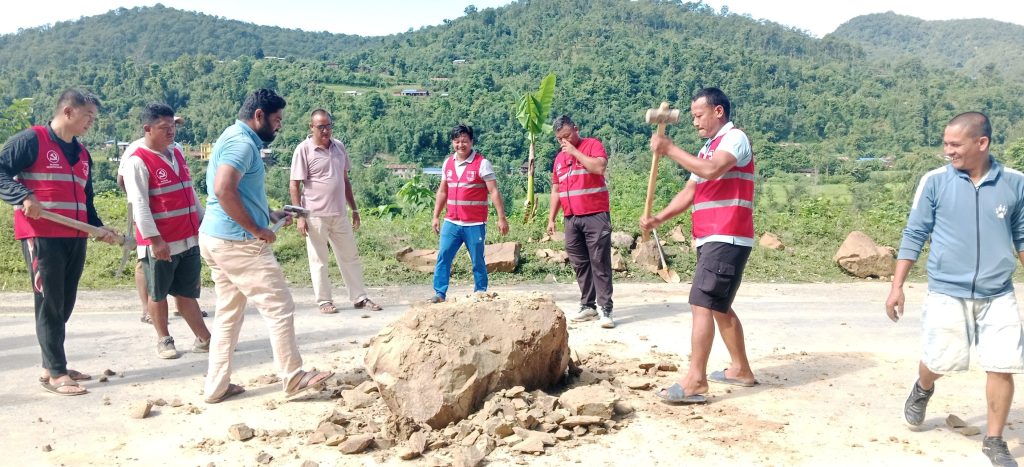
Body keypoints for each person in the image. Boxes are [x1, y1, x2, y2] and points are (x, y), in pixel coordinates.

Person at [886, 112, 1024, 467]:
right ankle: (923, 387)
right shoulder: (934, 182)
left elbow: (1022, 236)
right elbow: (915, 233)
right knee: (939, 360)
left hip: (998, 292)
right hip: (947, 291)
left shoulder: (1015, 183)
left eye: (955, 144)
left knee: (1002, 364)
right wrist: (897, 286)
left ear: (982, 143)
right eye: (946, 143)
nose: (948, 151)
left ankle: (994, 440)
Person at [199, 89, 332, 403]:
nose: (279, 125)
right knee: (279, 306)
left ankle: (216, 386)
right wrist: (256, 228)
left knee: (228, 313)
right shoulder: (243, 144)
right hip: (238, 243)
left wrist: (267, 214)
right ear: (259, 115)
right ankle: (293, 376)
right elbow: (223, 189)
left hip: (216, 238)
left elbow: (237, 192)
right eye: (276, 119)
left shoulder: (232, 136)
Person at [640, 87, 757, 404]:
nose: (695, 122)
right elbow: (691, 191)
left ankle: (695, 381)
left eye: (699, 115)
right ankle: (740, 369)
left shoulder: (734, 139)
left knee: (702, 303)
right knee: (718, 304)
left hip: (727, 234)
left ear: (718, 111)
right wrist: (658, 218)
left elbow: (712, 170)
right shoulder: (707, 148)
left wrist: (669, 148)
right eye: (692, 116)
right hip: (712, 236)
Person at [0, 88, 119, 396]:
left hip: (75, 236)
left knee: (64, 303)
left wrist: (99, 228)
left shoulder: (83, 154)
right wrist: (23, 196)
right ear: (68, 112)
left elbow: (86, 199)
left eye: (93, 117)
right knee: (49, 302)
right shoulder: (32, 140)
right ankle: (56, 373)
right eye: (88, 115)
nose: (91, 122)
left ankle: (52, 365)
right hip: (42, 236)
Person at [123, 103, 212, 359]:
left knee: (186, 292)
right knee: (158, 293)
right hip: (161, 242)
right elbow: (139, 204)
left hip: (188, 237)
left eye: (173, 126)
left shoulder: (177, 152)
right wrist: (155, 240)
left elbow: (189, 192)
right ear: (147, 129)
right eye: (164, 128)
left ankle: (204, 339)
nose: (171, 131)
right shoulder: (137, 161)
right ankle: (164, 339)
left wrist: (203, 221)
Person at [289, 109, 382, 314]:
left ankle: (359, 297)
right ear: (311, 127)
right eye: (321, 127)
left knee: (350, 256)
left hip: (339, 213)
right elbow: (294, 185)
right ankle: (324, 301)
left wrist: (354, 209)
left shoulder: (339, 146)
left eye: (328, 126)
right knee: (319, 260)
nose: (325, 130)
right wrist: (300, 217)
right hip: (315, 215)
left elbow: (345, 180)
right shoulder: (303, 150)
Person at [546, 115, 615, 328]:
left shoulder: (592, 145)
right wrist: (551, 218)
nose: (563, 141)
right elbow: (556, 189)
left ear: (576, 129)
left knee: (599, 261)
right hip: (571, 218)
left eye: (567, 136)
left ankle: (605, 309)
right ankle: (588, 305)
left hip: (595, 215)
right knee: (579, 263)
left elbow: (599, 167)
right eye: (559, 139)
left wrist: (575, 152)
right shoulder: (559, 159)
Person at [429, 124, 509, 303]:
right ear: (453, 142)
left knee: (477, 260)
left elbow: (494, 191)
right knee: (443, 256)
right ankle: (439, 293)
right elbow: (442, 191)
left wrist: (501, 218)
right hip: (451, 222)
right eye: (457, 141)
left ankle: (480, 291)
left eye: (464, 141)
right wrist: (435, 216)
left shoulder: (482, 164)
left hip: (474, 224)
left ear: (471, 141)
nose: (460, 145)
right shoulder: (448, 163)